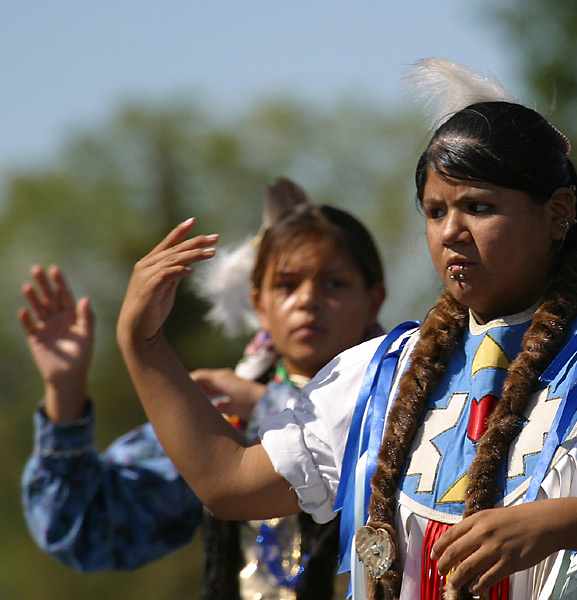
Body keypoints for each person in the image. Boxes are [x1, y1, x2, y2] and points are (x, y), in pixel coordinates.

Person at [115, 59, 577, 600]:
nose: (451, 230)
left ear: (558, 213)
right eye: (434, 210)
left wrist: (556, 523)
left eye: (479, 207)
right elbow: (230, 482)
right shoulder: (382, 374)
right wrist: (143, 346)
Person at [20, 177, 386, 600]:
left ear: (373, 300)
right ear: (258, 302)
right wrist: (65, 393)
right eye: (287, 284)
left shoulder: (405, 398)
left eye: (334, 283)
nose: (308, 299)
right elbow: (90, 530)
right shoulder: (222, 413)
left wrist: (270, 405)